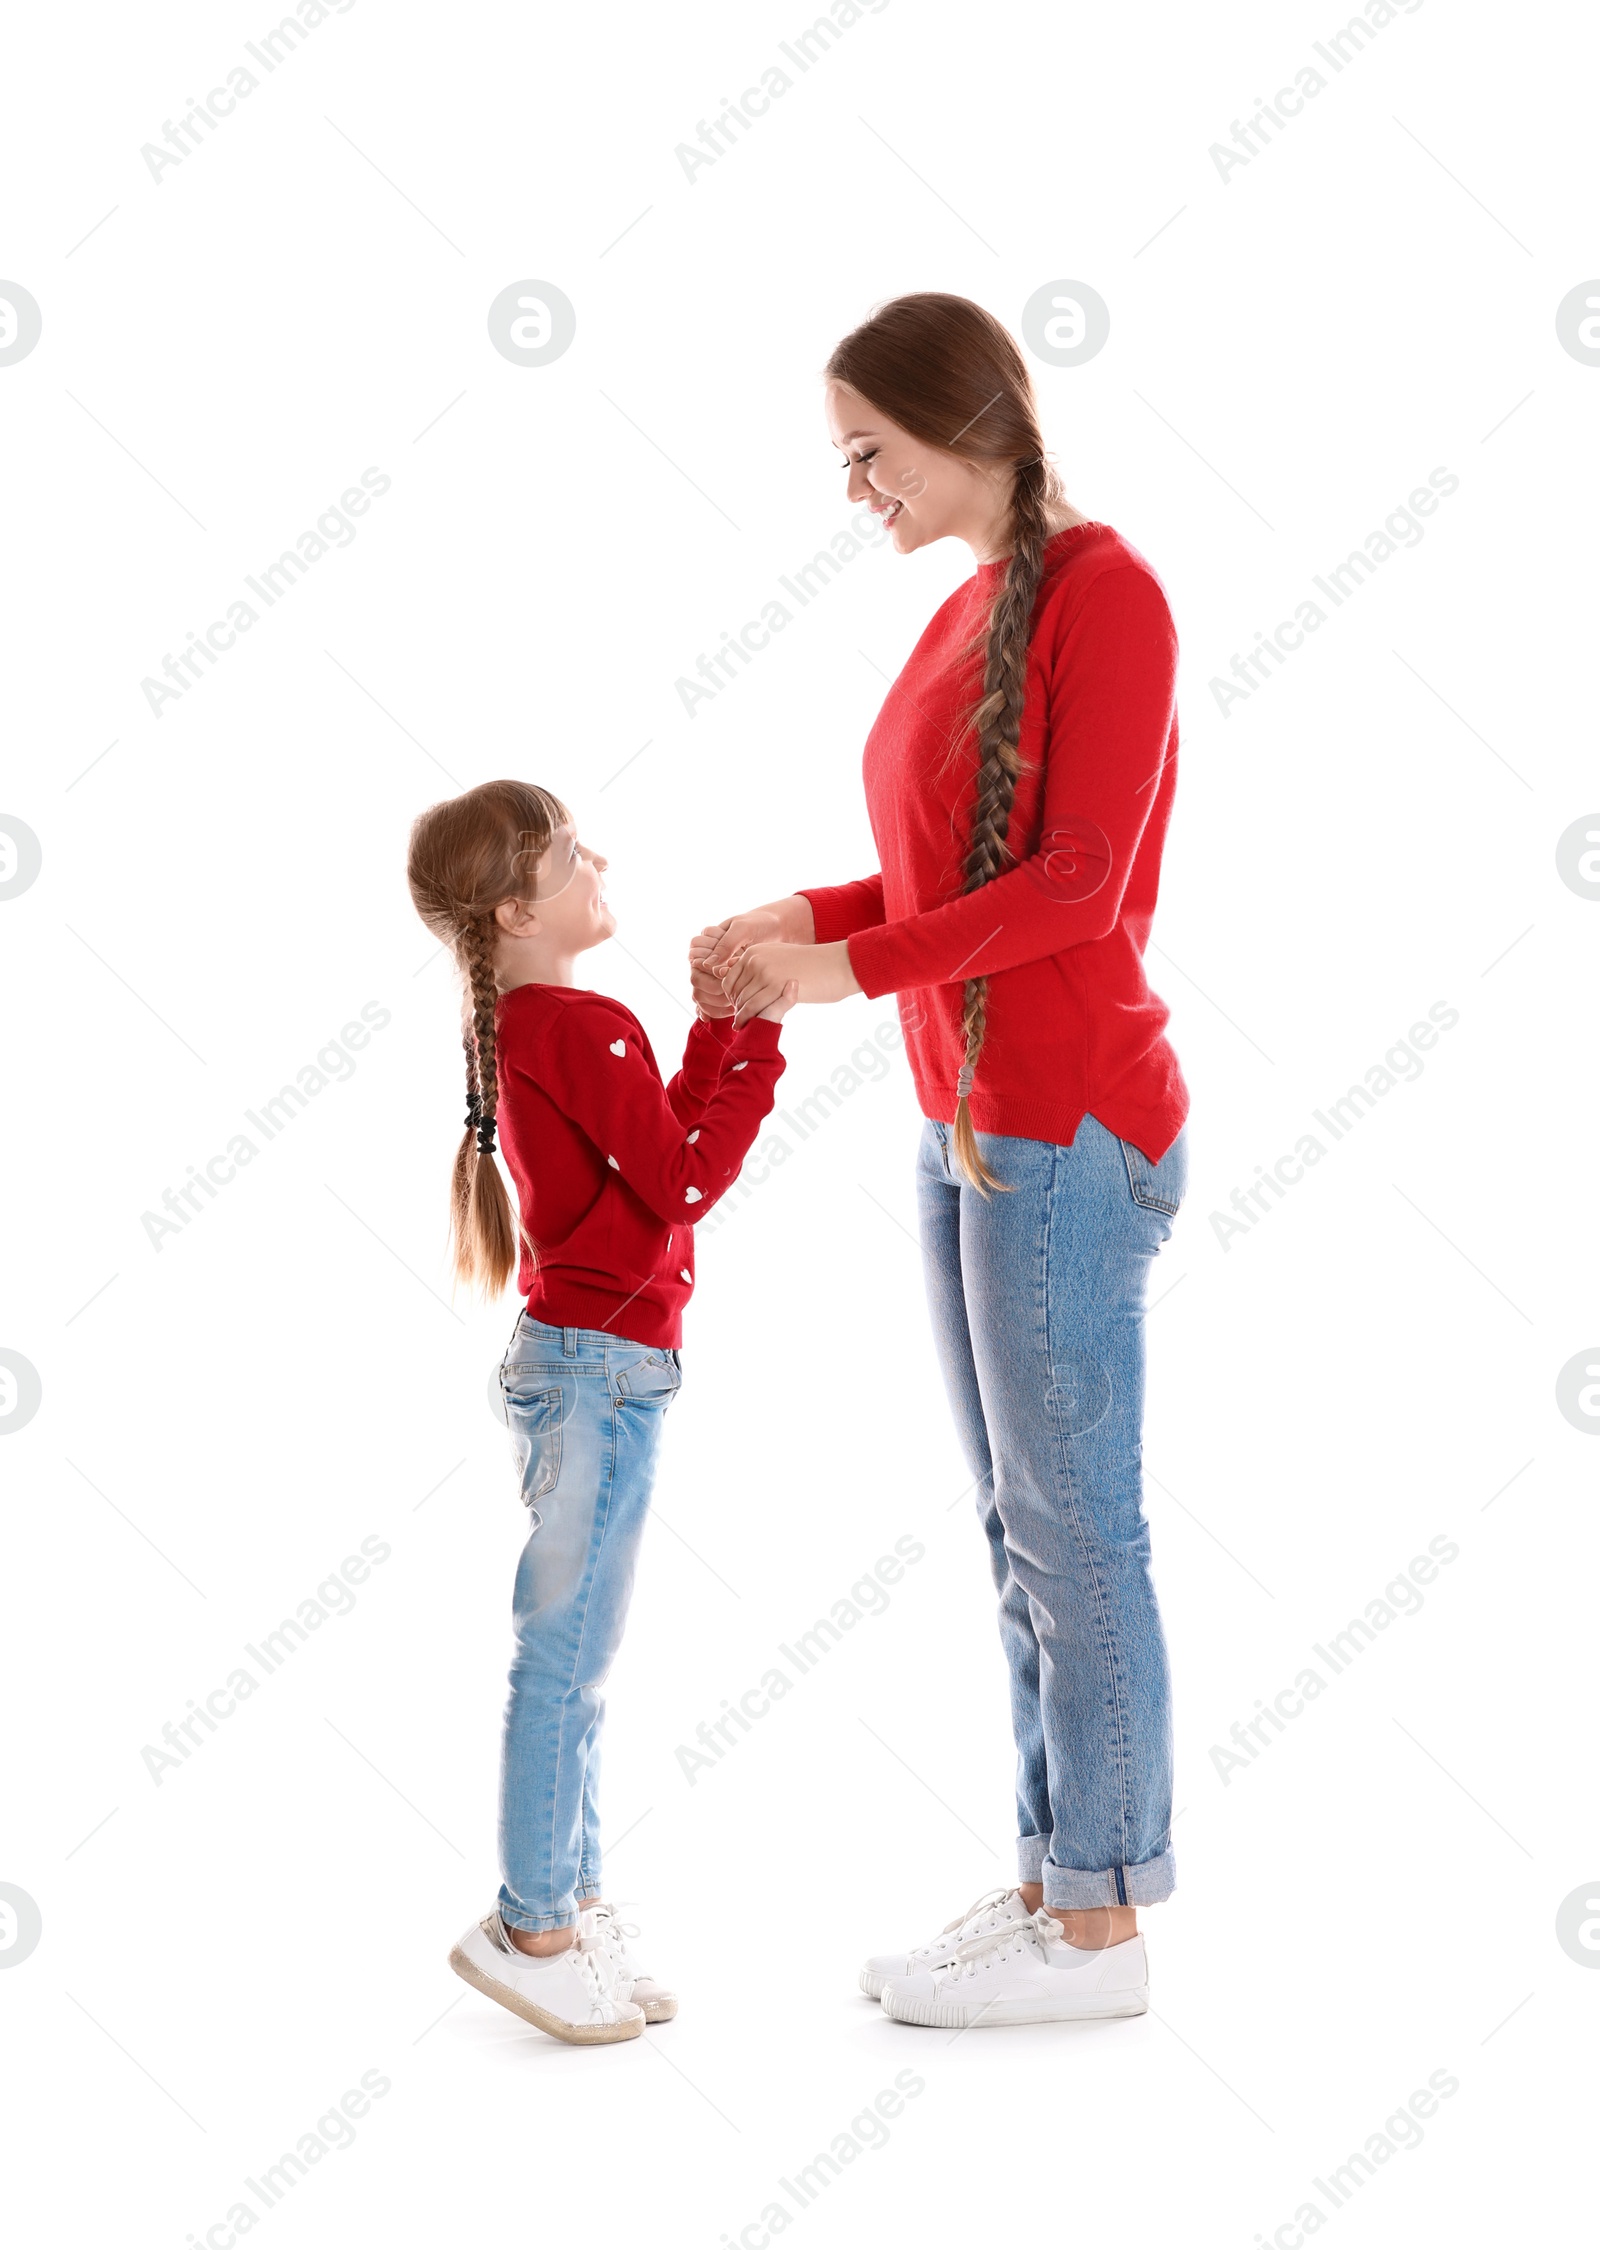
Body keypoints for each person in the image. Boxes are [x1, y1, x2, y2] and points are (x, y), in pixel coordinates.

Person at [694, 292, 1189, 2029]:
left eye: (867, 452)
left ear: (957, 422)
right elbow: (927, 889)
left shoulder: (1108, 593)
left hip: (1065, 1127)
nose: (855, 490)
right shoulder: (970, 610)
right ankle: (1069, 1881)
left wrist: (847, 970)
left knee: (1075, 1531)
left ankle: (1102, 1932)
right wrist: (802, 922)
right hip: (969, 1125)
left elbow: (1074, 884)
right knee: (1019, 1525)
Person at [407, 780, 795, 2044]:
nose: (598, 862)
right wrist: (751, 1034)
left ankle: (569, 1900)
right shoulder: (584, 1025)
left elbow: (651, 1150)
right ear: (520, 906)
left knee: (576, 1662)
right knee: (564, 1663)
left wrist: (716, 1035)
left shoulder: (529, 1023)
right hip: (603, 1372)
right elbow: (683, 1173)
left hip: (581, 1363)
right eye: (572, 855)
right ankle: (535, 1926)